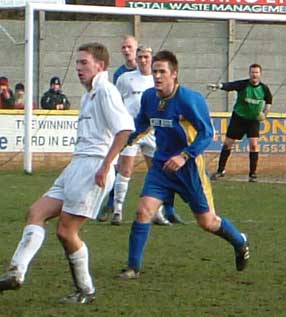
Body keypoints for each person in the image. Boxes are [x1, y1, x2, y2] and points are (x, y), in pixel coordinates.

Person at [0, 42, 135, 304]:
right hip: (76, 165)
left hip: (93, 167)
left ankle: (85, 290)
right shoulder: (88, 94)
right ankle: (15, 273)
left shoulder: (105, 90)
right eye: (77, 63)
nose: (78, 68)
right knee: (36, 212)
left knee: (66, 232)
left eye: (84, 63)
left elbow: (124, 130)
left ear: (100, 66)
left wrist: (105, 165)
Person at [120, 50, 250, 280]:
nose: (157, 76)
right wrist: (123, 140)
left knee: (207, 222)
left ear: (174, 74)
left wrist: (185, 156)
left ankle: (240, 242)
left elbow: (207, 132)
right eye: (155, 71)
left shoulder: (189, 99)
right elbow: (142, 124)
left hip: (189, 169)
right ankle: (133, 267)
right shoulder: (149, 97)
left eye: (162, 72)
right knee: (143, 211)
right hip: (161, 167)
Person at [110, 45, 184, 226]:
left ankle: (157, 212)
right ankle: (117, 209)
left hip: (153, 132)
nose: (143, 60)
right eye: (140, 57)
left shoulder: (157, 80)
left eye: (147, 57)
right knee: (125, 170)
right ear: (136, 58)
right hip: (133, 130)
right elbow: (117, 103)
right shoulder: (125, 79)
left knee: (157, 171)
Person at [208, 64, 272, 182]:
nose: (254, 75)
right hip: (238, 118)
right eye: (252, 72)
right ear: (249, 73)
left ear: (260, 74)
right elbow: (231, 86)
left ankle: (252, 174)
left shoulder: (264, 88)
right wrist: (218, 86)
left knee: (253, 145)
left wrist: (265, 114)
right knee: (228, 144)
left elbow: (269, 102)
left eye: (256, 72)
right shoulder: (243, 85)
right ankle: (220, 170)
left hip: (253, 121)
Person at [98, 35, 138, 221]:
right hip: (129, 128)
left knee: (160, 168)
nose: (126, 50)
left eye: (129, 46)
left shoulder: (149, 70)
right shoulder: (120, 74)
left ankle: (166, 210)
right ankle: (111, 206)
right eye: (123, 47)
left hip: (151, 128)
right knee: (122, 167)